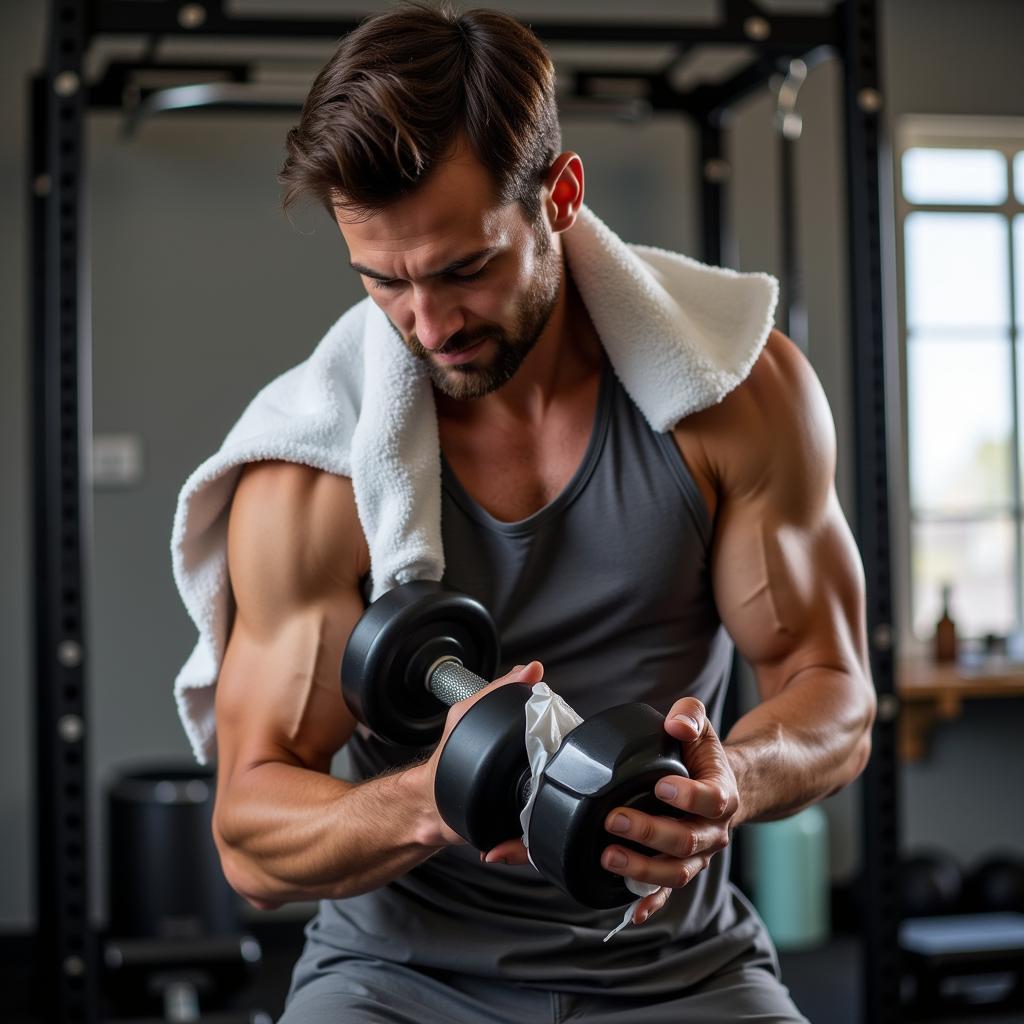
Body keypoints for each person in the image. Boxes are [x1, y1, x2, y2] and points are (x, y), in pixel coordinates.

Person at [206, 4, 875, 1021]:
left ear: (559, 196)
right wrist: (427, 799)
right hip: (397, 980)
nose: (427, 325)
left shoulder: (736, 400)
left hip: (676, 968)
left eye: (464, 268)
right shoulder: (313, 478)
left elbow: (835, 693)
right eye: (383, 281)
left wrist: (729, 778)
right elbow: (249, 834)